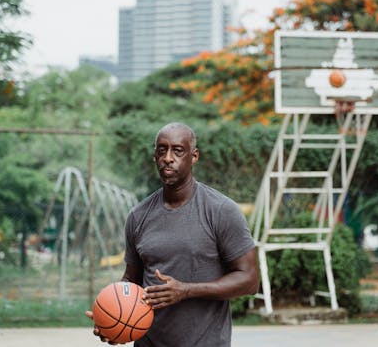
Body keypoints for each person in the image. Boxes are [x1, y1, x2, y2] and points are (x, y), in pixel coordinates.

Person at [86, 122, 259, 346]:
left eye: (177, 150)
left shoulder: (221, 210)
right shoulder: (138, 216)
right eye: (162, 150)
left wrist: (186, 290)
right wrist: (113, 317)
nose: (168, 157)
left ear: (194, 156)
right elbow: (132, 279)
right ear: (154, 156)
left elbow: (249, 280)